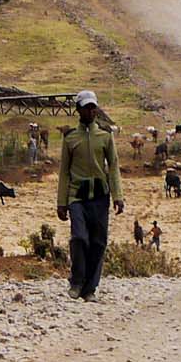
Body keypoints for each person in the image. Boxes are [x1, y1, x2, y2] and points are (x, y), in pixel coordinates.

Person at [54, 90, 125, 301]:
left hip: (100, 196)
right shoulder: (70, 138)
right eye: (86, 107)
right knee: (79, 238)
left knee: (98, 242)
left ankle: (90, 288)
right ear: (79, 110)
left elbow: (113, 167)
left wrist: (118, 196)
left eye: (93, 107)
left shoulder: (105, 135)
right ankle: (76, 282)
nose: (91, 111)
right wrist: (61, 203)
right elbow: (64, 172)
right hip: (77, 197)